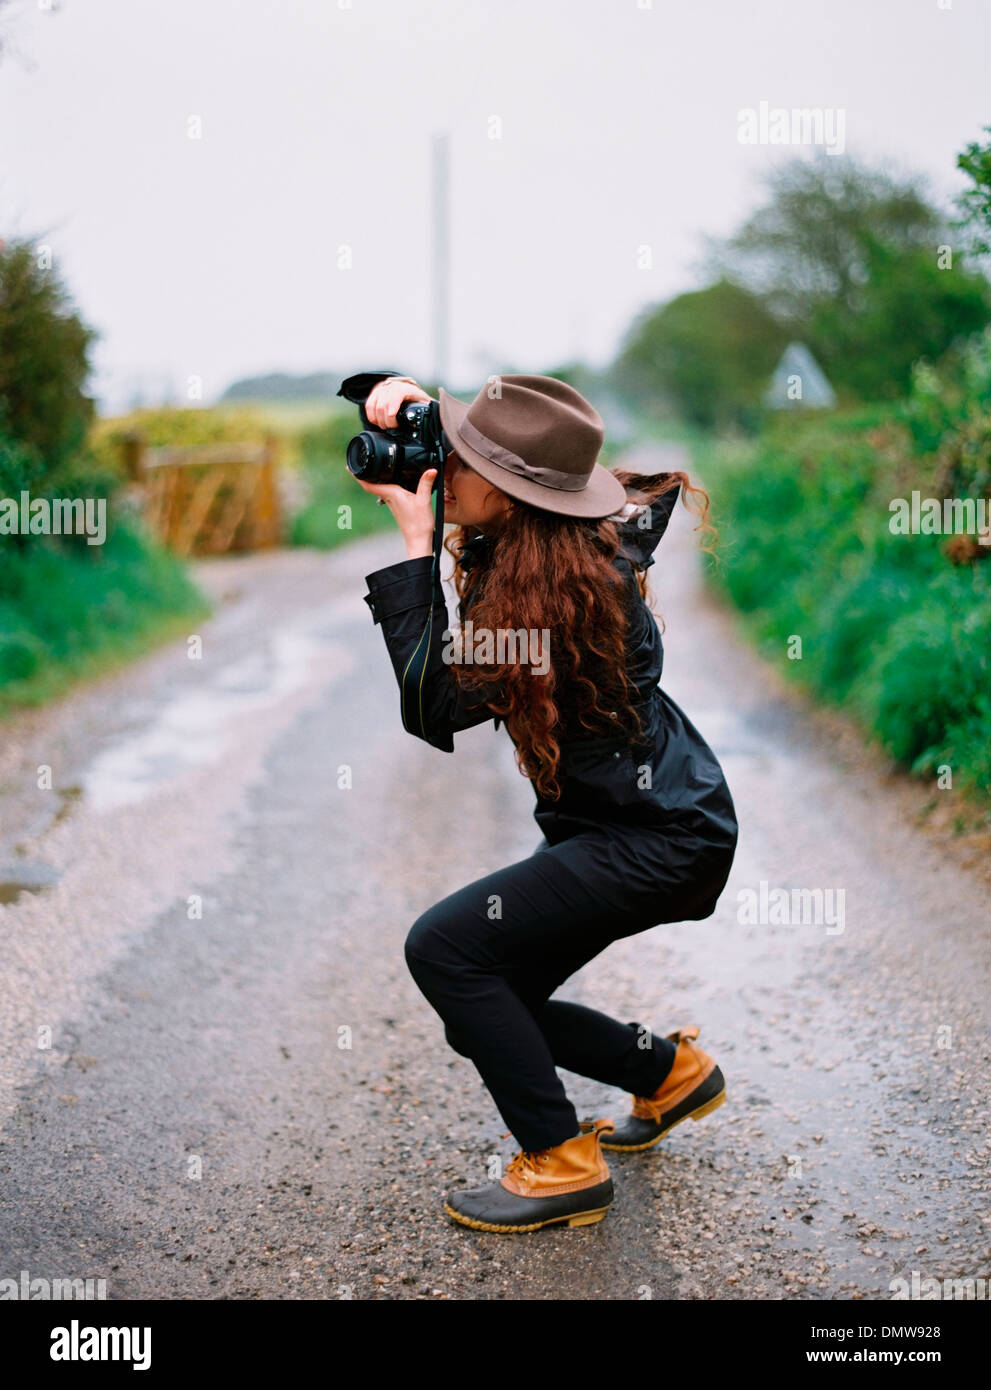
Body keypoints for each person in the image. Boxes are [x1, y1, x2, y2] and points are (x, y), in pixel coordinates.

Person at [351, 371, 739, 1234]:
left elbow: (434, 708)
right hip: (643, 822)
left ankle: (561, 1165)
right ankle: (669, 1075)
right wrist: (408, 398)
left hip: (652, 837)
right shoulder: (545, 552)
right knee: (495, 1002)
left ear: (516, 491)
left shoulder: (558, 599)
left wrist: (416, 551)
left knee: (447, 952)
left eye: (460, 459)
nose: (442, 469)